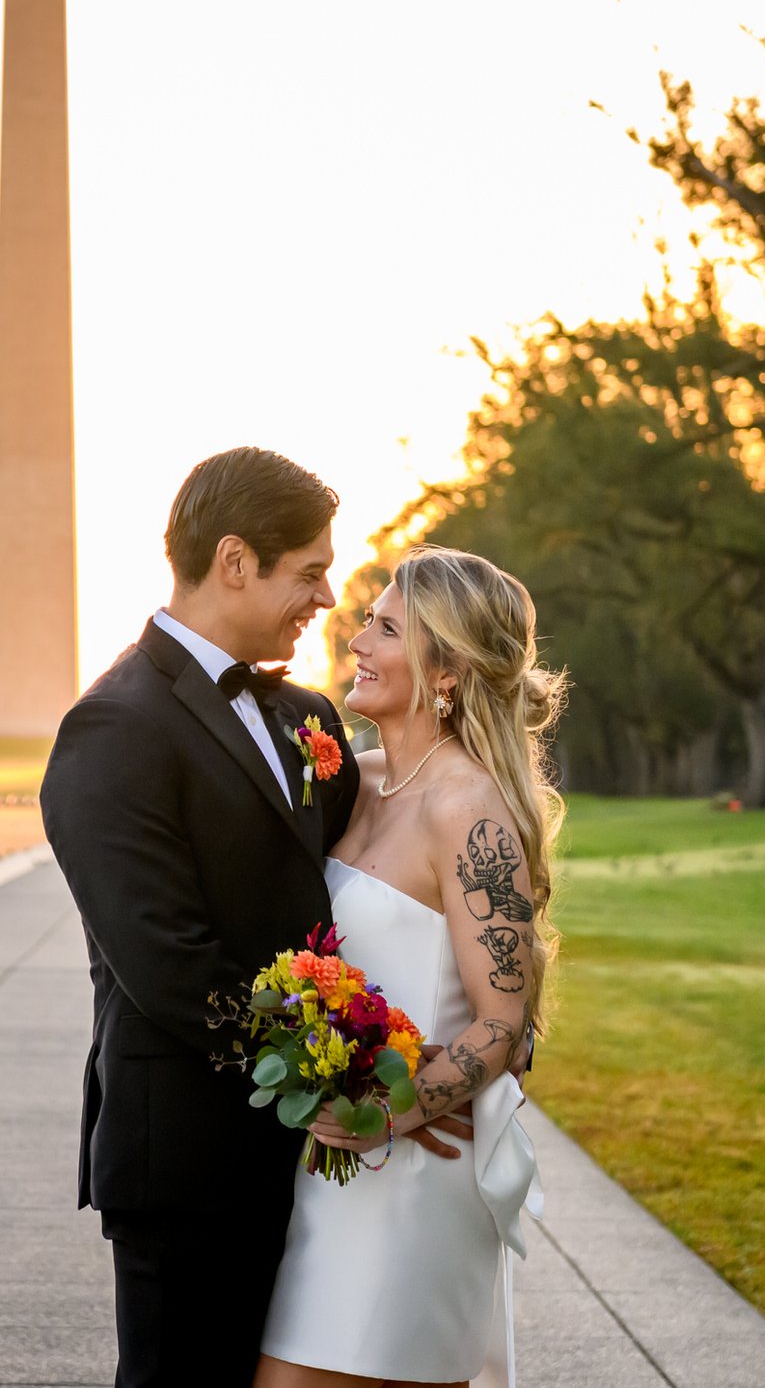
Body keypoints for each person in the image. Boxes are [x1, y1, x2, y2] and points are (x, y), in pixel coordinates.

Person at [41, 448, 467, 1388]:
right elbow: (170, 966)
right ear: (236, 560)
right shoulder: (113, 727)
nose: (327, 597)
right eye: (309, 571)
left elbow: (390, 873)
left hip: (323, 1167)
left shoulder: (306, 715)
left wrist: (473, 1032)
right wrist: (357, 1079)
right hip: (190, 1156)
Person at [256, 544, 562, 1388]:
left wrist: (391, 1111)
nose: (357, 641)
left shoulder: (469, 810)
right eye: (369, 620)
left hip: (412, 1175)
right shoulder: (353, 782)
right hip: (322, 1168)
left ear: (447, 671)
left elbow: (505, 1021)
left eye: (387, 629)